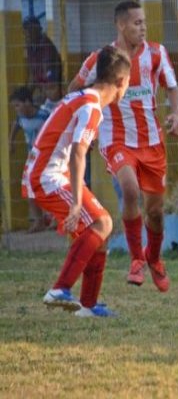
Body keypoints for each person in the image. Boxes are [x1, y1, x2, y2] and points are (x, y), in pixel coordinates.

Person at [68, 0, 178, 292]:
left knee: (155, 212)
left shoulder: (156, 54)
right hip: (115, 137)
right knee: (130, 190)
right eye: (136, 23)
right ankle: (135, 260)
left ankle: (153, 259)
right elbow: (74, 89)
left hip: (152, 142)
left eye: (144, 22)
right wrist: (85, 125)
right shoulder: (101, 59)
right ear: (120, 25)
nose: (142, 28)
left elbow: (172, 87)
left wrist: (176, 113)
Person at [23, 45, 131, 317]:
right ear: (121, 82)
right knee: (102, 222)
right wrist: (76, 204)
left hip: (48, 172)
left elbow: (71, 142)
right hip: (49, 177)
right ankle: (59, 289)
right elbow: (78, 153)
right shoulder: (92, 107)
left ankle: (89, 306)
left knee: (99, 231)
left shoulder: (82, 98)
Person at [10, 86, 52, 232]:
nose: (16, 109)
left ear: (28, 102)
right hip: (32, 159)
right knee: (29, 189)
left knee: (51, 187)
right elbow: (15, 125)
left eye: (18, 105)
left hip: (48, 158)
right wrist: (11, 141)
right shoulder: (21, 118)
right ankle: (38, 221)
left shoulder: (44, 115)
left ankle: (56, 219)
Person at [23, 16, 63, 107]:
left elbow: (48, 72)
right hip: (41, 84)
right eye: (25, 30)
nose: (27, 33)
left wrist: (42, 94)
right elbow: (32, 73)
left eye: (29, 29)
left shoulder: (46, 44)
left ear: (38, 30)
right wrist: (25, 95)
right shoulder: (30, 46)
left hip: (51, 86)